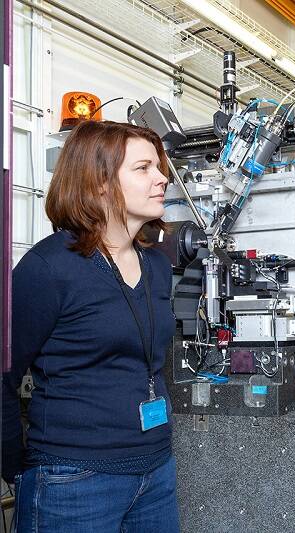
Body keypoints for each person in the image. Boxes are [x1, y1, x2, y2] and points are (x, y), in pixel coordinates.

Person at [2, 120, 180, 532]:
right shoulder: (50, 267)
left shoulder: (157, 265)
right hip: (74, 480)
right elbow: (2, 375)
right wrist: (19, 466)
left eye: (159, 167)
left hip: (156, 471)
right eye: (143, 168)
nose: (161, 178)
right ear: (100, 182)